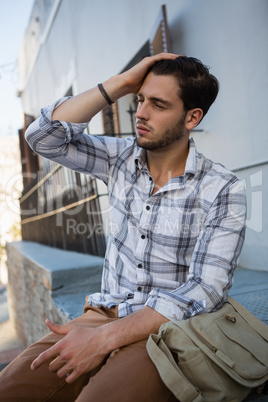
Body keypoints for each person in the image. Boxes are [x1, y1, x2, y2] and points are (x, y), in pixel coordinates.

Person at [0, 53, 246, 401]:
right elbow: (43, 138)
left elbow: (206, 289)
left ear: (192, 117)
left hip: (167, 328)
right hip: (105, 311)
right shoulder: (119, 158)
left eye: (158, 104)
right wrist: (120, 83)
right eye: (140, 99)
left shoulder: (222, 187)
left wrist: (105, 340)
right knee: (12, 389)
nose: (141, 113)